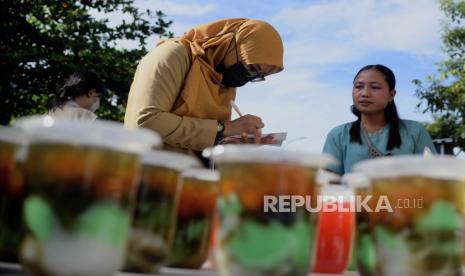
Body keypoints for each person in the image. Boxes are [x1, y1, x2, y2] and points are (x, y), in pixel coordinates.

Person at [124, 18, 284, 159]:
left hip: (192, 183)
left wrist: (235, 144)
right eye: (251, 67)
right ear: (232, 45)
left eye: (259, 75)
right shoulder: (173, 55)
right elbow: (146, 121)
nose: (248, 77)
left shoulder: (223, 81)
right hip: (148, 176)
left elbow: (202, 139)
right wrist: (225, 128)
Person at [323, 64, 436, 175]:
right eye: (358, 86)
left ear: (391, 95)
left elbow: (432, 176)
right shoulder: (338, 135)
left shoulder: (415, 131)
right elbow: (328, 184)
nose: (365, 93)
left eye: (375, 87)